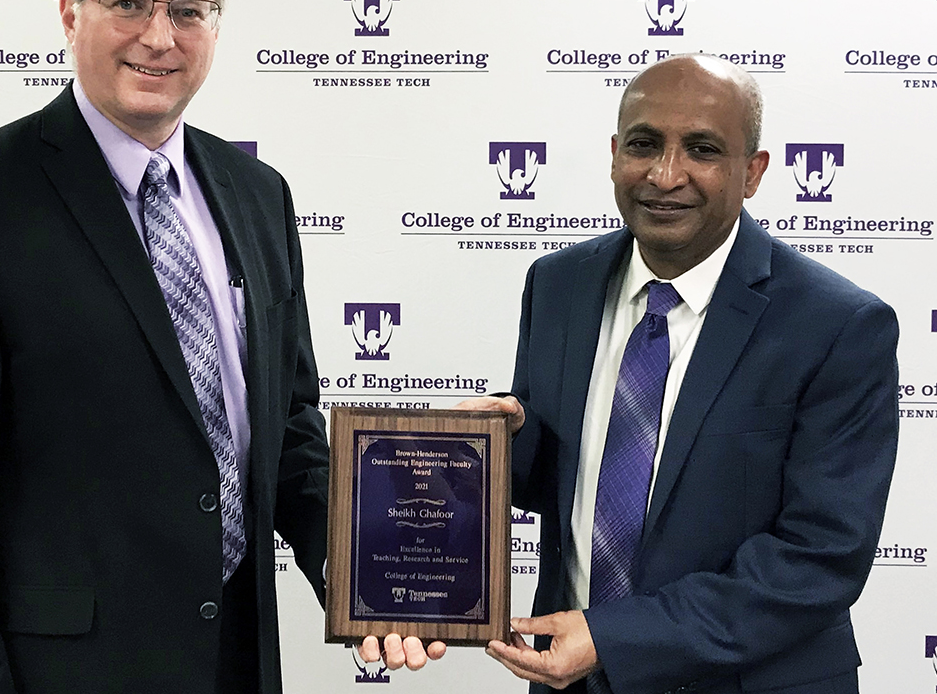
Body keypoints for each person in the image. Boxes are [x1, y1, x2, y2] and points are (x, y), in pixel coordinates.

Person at [0, 0, 329, 694]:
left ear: (216, 27)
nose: (159, 35)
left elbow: (286, 428)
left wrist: (370, 576)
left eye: (188, 9)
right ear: (69, 13)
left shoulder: (260, 195)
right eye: (128, 3)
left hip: (236, 668)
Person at [366, 54, 899, 693]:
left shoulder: (838, 325)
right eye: (645, 145)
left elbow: (820, 559)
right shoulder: (557, 285)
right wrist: (495, 454)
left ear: (752, 172)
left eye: (701, 149)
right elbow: (564, 479)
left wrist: (615, 638)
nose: (665, 174)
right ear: (616, 154)